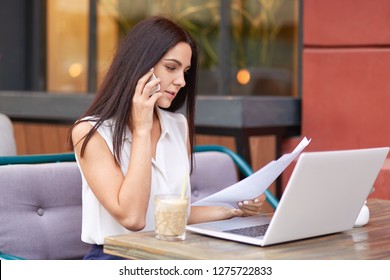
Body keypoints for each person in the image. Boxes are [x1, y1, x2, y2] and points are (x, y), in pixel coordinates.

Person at [68, 16, 266, 260]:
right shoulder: (90, 133)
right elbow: (133, 218)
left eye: (185, 71)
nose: (181, 81)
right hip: (117, 258)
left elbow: (170, 215)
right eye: (171, 68)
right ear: (139, 66)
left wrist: (235, 210)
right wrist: (141, 130)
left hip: (170, 253)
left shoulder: (177, 125)